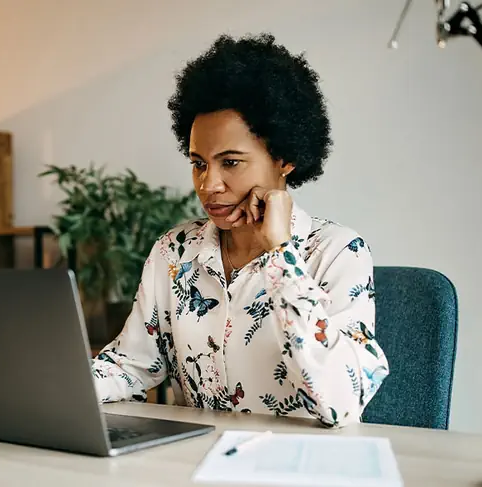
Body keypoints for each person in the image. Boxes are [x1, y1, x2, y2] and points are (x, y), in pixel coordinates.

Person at [90, 32, 389, 427]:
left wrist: (281, 253)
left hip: (301, 469)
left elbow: (342, 402)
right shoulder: (175, 252)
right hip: (196, 465)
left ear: (284, 159)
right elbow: (132, 364)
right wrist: (51, 384)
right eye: (199, 163)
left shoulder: (337, 252)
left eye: (230, 163)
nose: (207, 184)